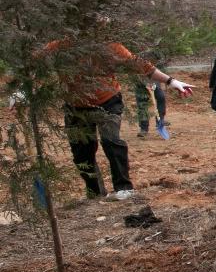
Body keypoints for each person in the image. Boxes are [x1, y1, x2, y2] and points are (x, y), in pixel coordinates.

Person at [52, 40, 192, 199]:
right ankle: (95, 192)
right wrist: (20, 91)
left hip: (107, 101)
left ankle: (124, 188)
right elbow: (32, 63)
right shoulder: (61, 46)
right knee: (81, 152)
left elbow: (142, 66)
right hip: (75, 106)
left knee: (111, 141)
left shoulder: (110, 45)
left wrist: (171, 81)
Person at [132, 71, 167, 139]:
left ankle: (160, 121)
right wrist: (143, 82)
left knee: (161, 97)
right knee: (142, 104)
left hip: (153, 81)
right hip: (140, 83)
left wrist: (153, 83)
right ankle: (144, 129)